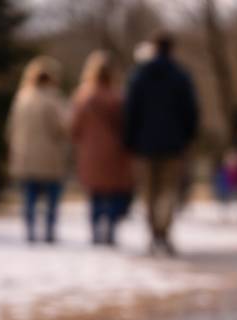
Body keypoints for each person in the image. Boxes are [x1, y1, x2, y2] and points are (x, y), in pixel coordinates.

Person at [124, 32, 198, 256]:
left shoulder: (139, 75)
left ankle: (153, 233)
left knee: (148, 192)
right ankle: (163, 232)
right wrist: (186, 138)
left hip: (144, 145)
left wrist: (130, 140)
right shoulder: (181, 76)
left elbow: (130, 111)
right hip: (173, 145)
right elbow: (191, 112)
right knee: (167, 191)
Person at [71, 51, 134, 246]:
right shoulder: (119, 97)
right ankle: (111, 226)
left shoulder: (83, 96)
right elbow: (128, 125)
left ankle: (97, 228)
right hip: (115, 152)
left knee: (95, 193)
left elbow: (74, 127)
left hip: (90, 152)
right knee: (114, 192)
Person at [5, 56, 68, 244]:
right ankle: (49, 231)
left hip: (24, 156)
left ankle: (30, 230)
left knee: (29, 197)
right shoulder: (53, 99)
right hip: (49, 157)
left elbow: (10, 129)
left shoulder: (22, 97)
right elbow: (61, 128)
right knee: (51, 198)